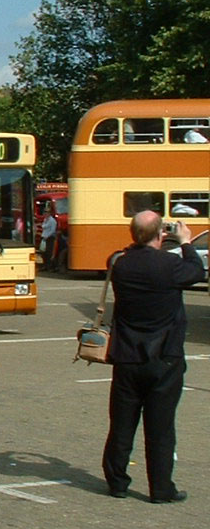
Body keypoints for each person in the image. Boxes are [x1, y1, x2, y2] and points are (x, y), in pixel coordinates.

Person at [102, 211, 204, 502]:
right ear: (161, 234)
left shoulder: (119, 263)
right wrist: (186, 242)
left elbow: (120, 255)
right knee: (161, 427)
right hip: (164, 356)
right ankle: (161, 488)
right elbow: (197, 272)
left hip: (127, 355)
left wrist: (141, 239)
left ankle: (117, 482)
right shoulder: (170, 264)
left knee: (122, 424)